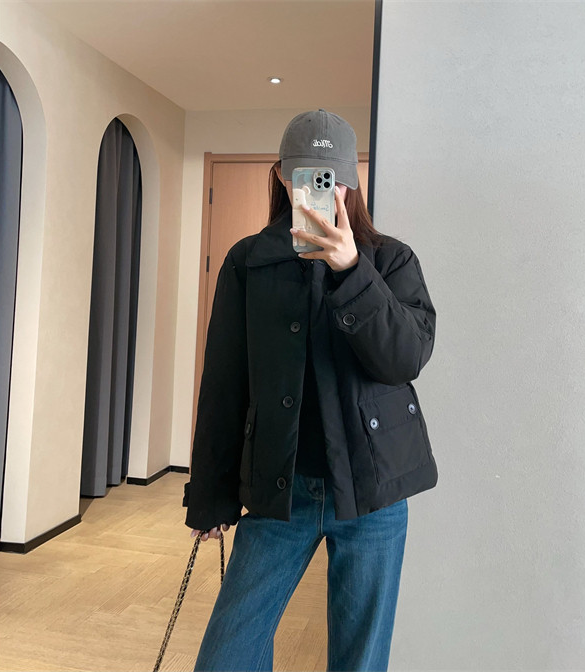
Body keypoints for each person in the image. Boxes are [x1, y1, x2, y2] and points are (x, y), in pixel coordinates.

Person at [182, 109, 438, 672]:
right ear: (281, 176)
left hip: (372, 492)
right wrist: (210, 494)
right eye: (307, 177)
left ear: (351, 182)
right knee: (228, 654)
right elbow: (224, 383)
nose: (323, 191)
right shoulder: (249, 262)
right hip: (280, 491)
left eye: (333, 178)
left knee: (359, 660)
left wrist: (352, 271)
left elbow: (405, 359)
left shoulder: (390, 260)